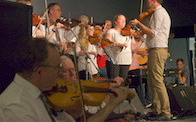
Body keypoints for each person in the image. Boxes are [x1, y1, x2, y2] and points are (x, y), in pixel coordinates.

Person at [0, 38, 131, 122]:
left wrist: (110, 106)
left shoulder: (44, 95)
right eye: (57, 67)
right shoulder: (14, 108)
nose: (60, 72)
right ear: (39, 71)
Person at [130, 0, 171, 121]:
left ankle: (166, 112)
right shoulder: (156, 13)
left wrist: (139, 24)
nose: (147, 3)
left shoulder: (159, 12)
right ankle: (157, 109)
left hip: (158, 50)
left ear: (154, 1)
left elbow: (153, 33)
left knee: (157, 81)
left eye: (148, 1)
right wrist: (142, 30)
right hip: (154, 50)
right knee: (152, 81)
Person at [105, 14, 141, 80]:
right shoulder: (111, 31)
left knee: (122, 81)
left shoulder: (129, 33)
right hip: (115, 61)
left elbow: (133, 48)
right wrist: (118, 44)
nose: (124, 22)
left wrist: (142, 40)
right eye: (121, 20)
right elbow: (107, 43)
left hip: (126, 61)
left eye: (124, 21)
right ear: (116, 22)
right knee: (114, 82)